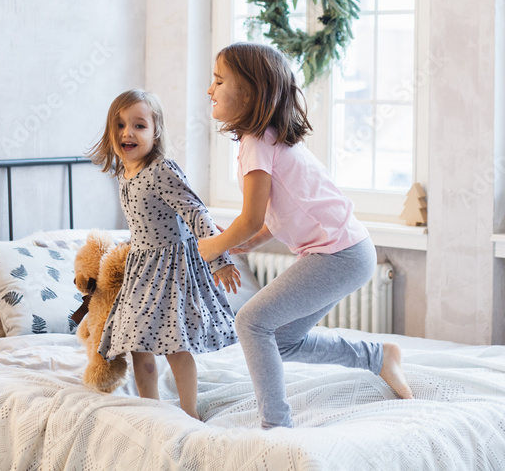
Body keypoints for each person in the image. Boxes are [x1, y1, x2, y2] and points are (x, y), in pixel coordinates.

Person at [198, 42, 413, 429]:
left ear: (249, 92)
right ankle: (379, 357)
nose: (209, 90)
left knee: (249, 323)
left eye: (217, 80)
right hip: (347, 251)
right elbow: (282, 209)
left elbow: (248, 218)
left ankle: (276, 425)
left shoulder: (256, 144)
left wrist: (211, 246)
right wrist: (252, 241)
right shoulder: (268, 137)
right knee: (280, 339)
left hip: (338, 254)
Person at [88, 89, 241, 420]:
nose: (128, 132)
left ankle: (189, 412)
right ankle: (151, 410)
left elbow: (196, 213)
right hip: (141, 270)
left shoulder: (162, 169)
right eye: (120, 125)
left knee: (174, 343)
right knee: (136, 343)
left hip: (172, 269)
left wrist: (219, 259)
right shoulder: (124, 174)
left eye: (139, 125)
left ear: (156, 131)